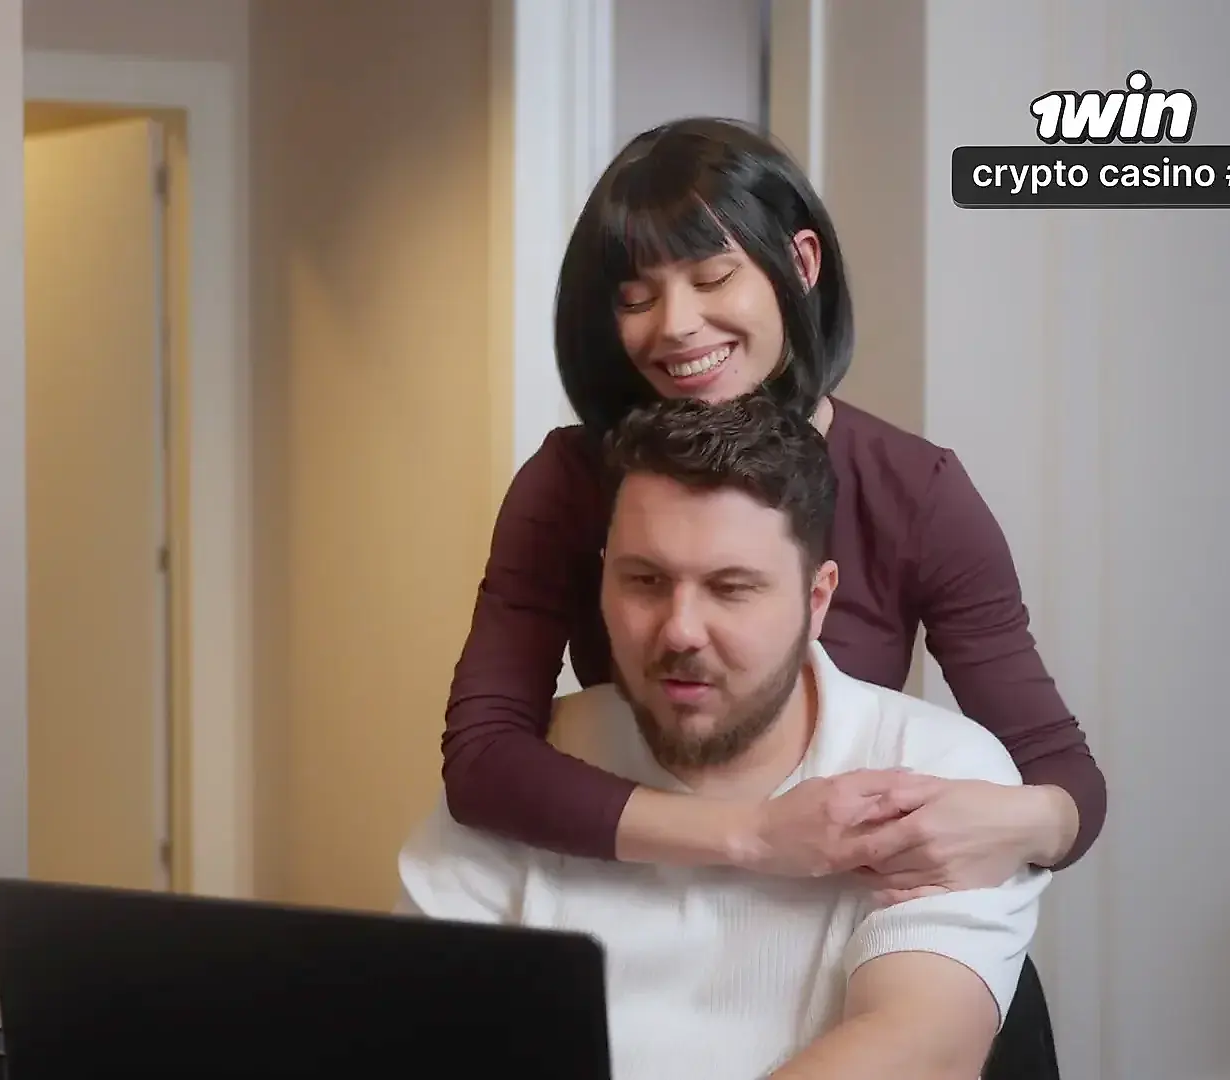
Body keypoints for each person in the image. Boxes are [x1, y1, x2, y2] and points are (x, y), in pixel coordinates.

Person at [440, 117, 1101, 1071]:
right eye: (636, 297)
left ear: (800, 263)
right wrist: (751, 837)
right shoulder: (566, 486)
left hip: (850, 947)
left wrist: (1017, 820)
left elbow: (1062, 773)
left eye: (712, 279)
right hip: (661, 920)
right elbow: (483, 760)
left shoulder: (917, 493)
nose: (675, 325)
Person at [402, 395, 1049, 1079]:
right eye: (645, 581)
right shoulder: (527, 773)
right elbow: (416, 1030)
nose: (680, 630)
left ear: (817, 599)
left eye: (731, 588)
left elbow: (920, 1046)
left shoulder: (934, 771)